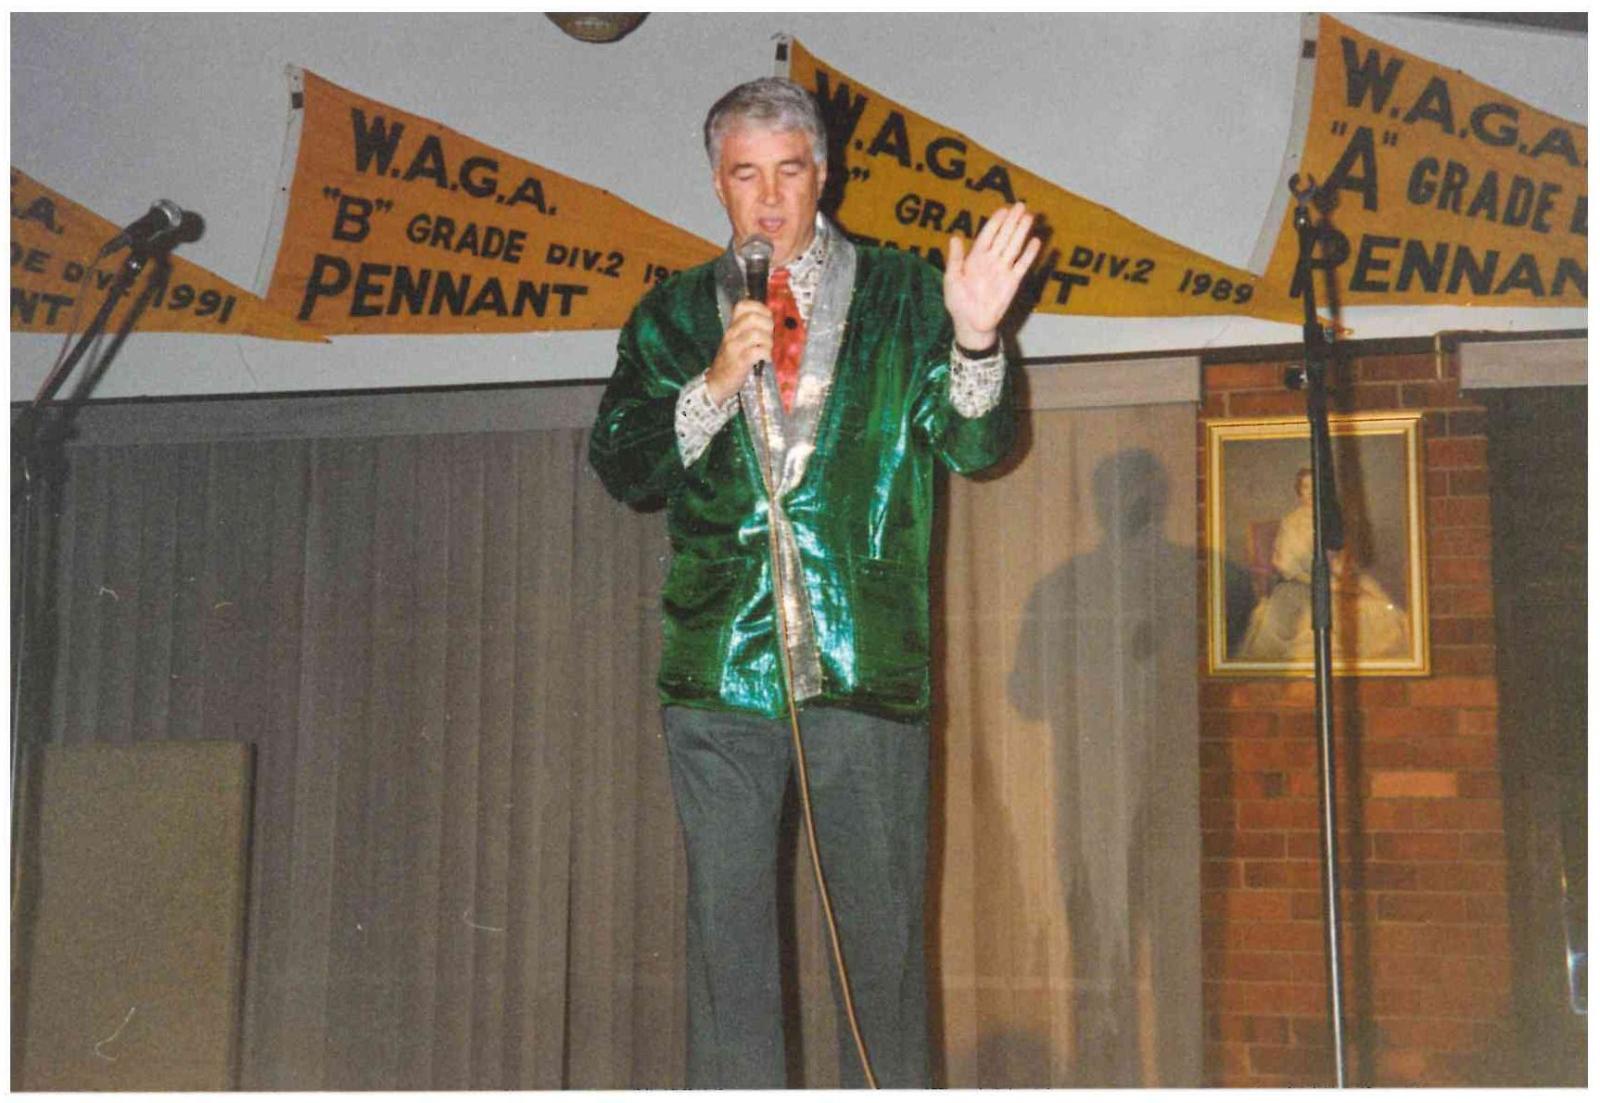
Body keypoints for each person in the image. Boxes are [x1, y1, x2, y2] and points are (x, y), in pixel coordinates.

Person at [588, 77, 1039, 1088]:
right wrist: (711, 384)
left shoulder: (905, 292)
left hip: (862, 660)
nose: (768, 198)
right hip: (719, 666)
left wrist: (975, 337)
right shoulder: (670, 315)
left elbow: (978, 447)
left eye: (788, 171)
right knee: (728, 950)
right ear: (717, 183)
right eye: (745, 174)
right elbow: (622, 465)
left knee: (882, 951)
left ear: (823, 174)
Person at [1237, 466, 1409, 661]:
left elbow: (1342, 557)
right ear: (1299, 492)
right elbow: (1288, 567)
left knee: (1380, 609)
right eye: (1306, 487)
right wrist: (1324, 584)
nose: (1311, 492)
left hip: (1335, 580)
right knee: (1318, 615)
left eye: (1316, 487)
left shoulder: (1333, 520)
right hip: (1301, 585)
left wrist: (1340, 577)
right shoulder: (1291, 523)